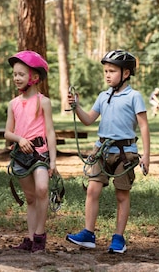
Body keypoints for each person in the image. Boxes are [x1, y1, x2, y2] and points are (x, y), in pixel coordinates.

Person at [65, 49, 151, 254]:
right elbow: (88, 119)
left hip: (125, 153)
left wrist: (146, 155)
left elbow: (144, 126)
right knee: (92, 190)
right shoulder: (103, 97)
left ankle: (118, 238)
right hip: (102, 151)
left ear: (126, 73)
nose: (107, 75)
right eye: (105, 71)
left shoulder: (134, 96)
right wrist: (76, 106)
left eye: (112, 70)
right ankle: (88, 234)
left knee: (122, 195)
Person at [3, 51, 57, 253]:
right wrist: (20, 139)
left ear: (34, 77)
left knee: (42, 189)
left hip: (40, 154)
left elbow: (50, 131)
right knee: (30, 197)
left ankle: (40, 236)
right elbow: (8, 133)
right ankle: (29, 238)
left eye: (21, 74)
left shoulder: (44, 102)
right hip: (20, 155)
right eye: (15, 74)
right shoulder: (13, 104)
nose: (16, 78)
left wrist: (53, 160)